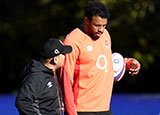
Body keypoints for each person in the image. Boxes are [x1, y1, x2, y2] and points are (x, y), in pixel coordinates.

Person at [59, 1, 141, 115]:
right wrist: (71, 112)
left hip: (104, 108)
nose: (101, 30)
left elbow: (104, 60)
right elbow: (65, 81)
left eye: (104, 25)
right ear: (86, 20)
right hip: (82, 110)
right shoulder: (72, 41)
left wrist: (127, 63)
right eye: (97, 25)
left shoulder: (105, 35)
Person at [15, 38, 72, 115]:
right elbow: (22, 101)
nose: (65, 57)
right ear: (55, 60)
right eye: (63, 54)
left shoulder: (50, 72)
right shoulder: (37, 77)